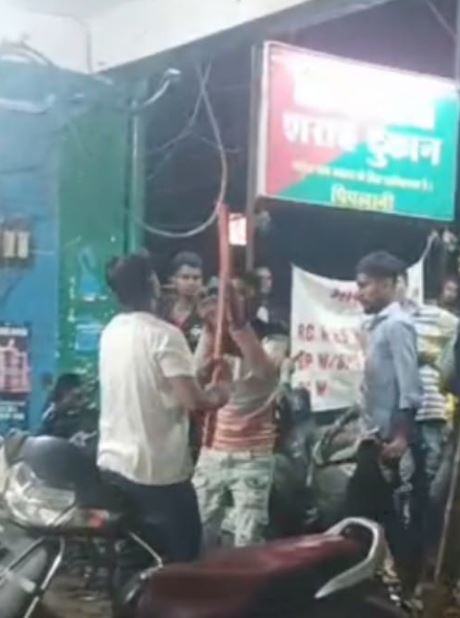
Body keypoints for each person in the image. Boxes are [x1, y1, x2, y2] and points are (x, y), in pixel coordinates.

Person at [98, 252, 230, 563]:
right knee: (184, 559)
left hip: (113, 465)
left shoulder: (111, 331)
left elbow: (152, 382)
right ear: (153, 283)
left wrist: (195, 375)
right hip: (157, 472)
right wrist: (222, 391)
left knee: (133, 557)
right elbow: (193, 401)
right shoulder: (165, 335)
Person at [346, 251, 424, 594]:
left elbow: (410, 389)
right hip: (374, 438)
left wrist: (401, 439)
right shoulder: (377, 326)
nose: (359, 293)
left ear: (388, 284)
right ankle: (383, 588)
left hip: (390, 443)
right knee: (372, 517)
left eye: (365, 285)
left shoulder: (397, 326)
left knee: (379, 518)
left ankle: (404, 589)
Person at [193, 274, 280, 548]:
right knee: (199, 534)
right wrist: (211, 330)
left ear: (256, 298)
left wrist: (238, 327)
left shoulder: (274, 334)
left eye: (241, 293)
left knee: (248, 541)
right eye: (227, 295)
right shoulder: (214, 334)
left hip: (252, 454)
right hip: (213, 449)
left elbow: (263, 375)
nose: (231, 301)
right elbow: (196, 377)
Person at [396, 273, 458, 493]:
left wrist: (431, 357)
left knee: (431, 467)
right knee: (403, 472)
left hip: (431, 404)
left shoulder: (432, 316)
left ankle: (426, 512)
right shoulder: (380, 322)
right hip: (399, 411)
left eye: (397, 282)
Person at [163, 251, 204, 351]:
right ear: (173, 280)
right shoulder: (162, 311)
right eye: (185, 277)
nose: (191, 282)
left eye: (196, 278)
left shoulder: (206, 315)